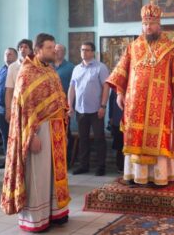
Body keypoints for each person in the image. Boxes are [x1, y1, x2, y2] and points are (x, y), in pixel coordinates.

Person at [106, 2, 174, 186]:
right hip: (135, 102)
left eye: (152, 24)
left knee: (159, 137)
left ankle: (159, 176)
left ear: (159, 25)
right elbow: (122, 71)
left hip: (161, 104)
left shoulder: (171, 48)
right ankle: (135, 175)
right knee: (135, 138)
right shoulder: (133, 47)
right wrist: (120, 93)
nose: (148, 27)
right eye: (145, 24)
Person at [1, 33, 70, 232]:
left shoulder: (49, 70)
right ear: (38, 49)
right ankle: (36, 219)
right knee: (38, 175)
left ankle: (55, 213)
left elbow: (59, 98)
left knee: (53, 174)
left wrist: (64, 122)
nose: (53, 50)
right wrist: (31, 137)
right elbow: (26, 110)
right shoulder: (27, 73)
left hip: (55, 130)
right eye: (49, 48)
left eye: (54, 47)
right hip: (38, 132)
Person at [68, 41, 110, 176]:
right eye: (82, 50)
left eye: (87, 50)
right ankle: (83, 165)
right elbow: (72, 88)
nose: (83, 52)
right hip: (80, 110)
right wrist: (70, 105)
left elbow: (106, 87)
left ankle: (100, 166)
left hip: (96, 110)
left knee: (99, 139)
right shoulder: (76, 68)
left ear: (93, 52)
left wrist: (103, 106)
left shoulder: (101, 67)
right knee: (83, 139)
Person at [0, 47, 18, 169]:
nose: (7, 55)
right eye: (6, 54)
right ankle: (7, 159)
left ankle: (16, 161)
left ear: (16, 56)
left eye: (10, 54)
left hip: (14, 109)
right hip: (0, 109)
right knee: (5, 136)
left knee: (15, 135)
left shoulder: (19, 69)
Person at [53, 43, 75, 164]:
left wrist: (71, 105)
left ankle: (66, 159)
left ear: (64, 52)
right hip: (49, 107)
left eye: (60, 50)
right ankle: (53, 159)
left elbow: (74, 87)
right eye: (55, 50)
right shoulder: (47, 66)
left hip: (64, 105)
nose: (57, 52)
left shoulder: (70, 67)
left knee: (64, 132)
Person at [4, 39, 33, 122]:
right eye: (21, 47)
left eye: (26, 47)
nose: (23, 49)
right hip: (17, 103)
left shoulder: (35, 65)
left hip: (31, 104)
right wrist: (8, 109)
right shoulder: (12, 67)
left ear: (31, 50)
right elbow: (9, 90)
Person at [108, 88, 124, 173]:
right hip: (118, 119)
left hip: (131, 121)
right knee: (119, 145)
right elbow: (111, 102)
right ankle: (120, 166)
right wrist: (110, 117)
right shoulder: (117, 85)